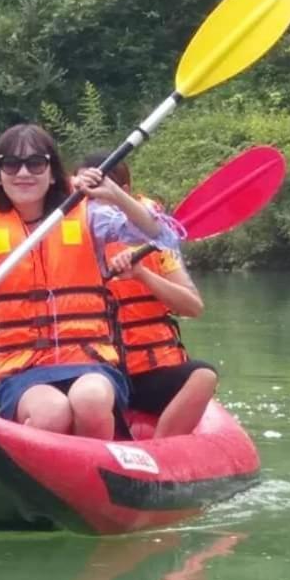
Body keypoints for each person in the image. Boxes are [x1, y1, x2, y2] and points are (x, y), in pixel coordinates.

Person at [0, 124, 179, 440]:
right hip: (24, 367)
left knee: (90, 400)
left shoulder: (89, 218)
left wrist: (115, 194)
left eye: (36, 163)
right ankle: (39, 475)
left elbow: (161, 235)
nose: (24, 172)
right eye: (11, 164)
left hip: (89, 358)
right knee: (52, 413)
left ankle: (100, 474)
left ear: (52, 173)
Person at [85, 154, 219, 438]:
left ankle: (160, 455)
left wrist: (143, 274)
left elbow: (193, 307)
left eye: (103, 190)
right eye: (86, 193)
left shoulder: (158, 241)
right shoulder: (70, 238)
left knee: (204, 375)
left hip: (151, 372)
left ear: (126, 190)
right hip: (97, 375)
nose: (94, 202)